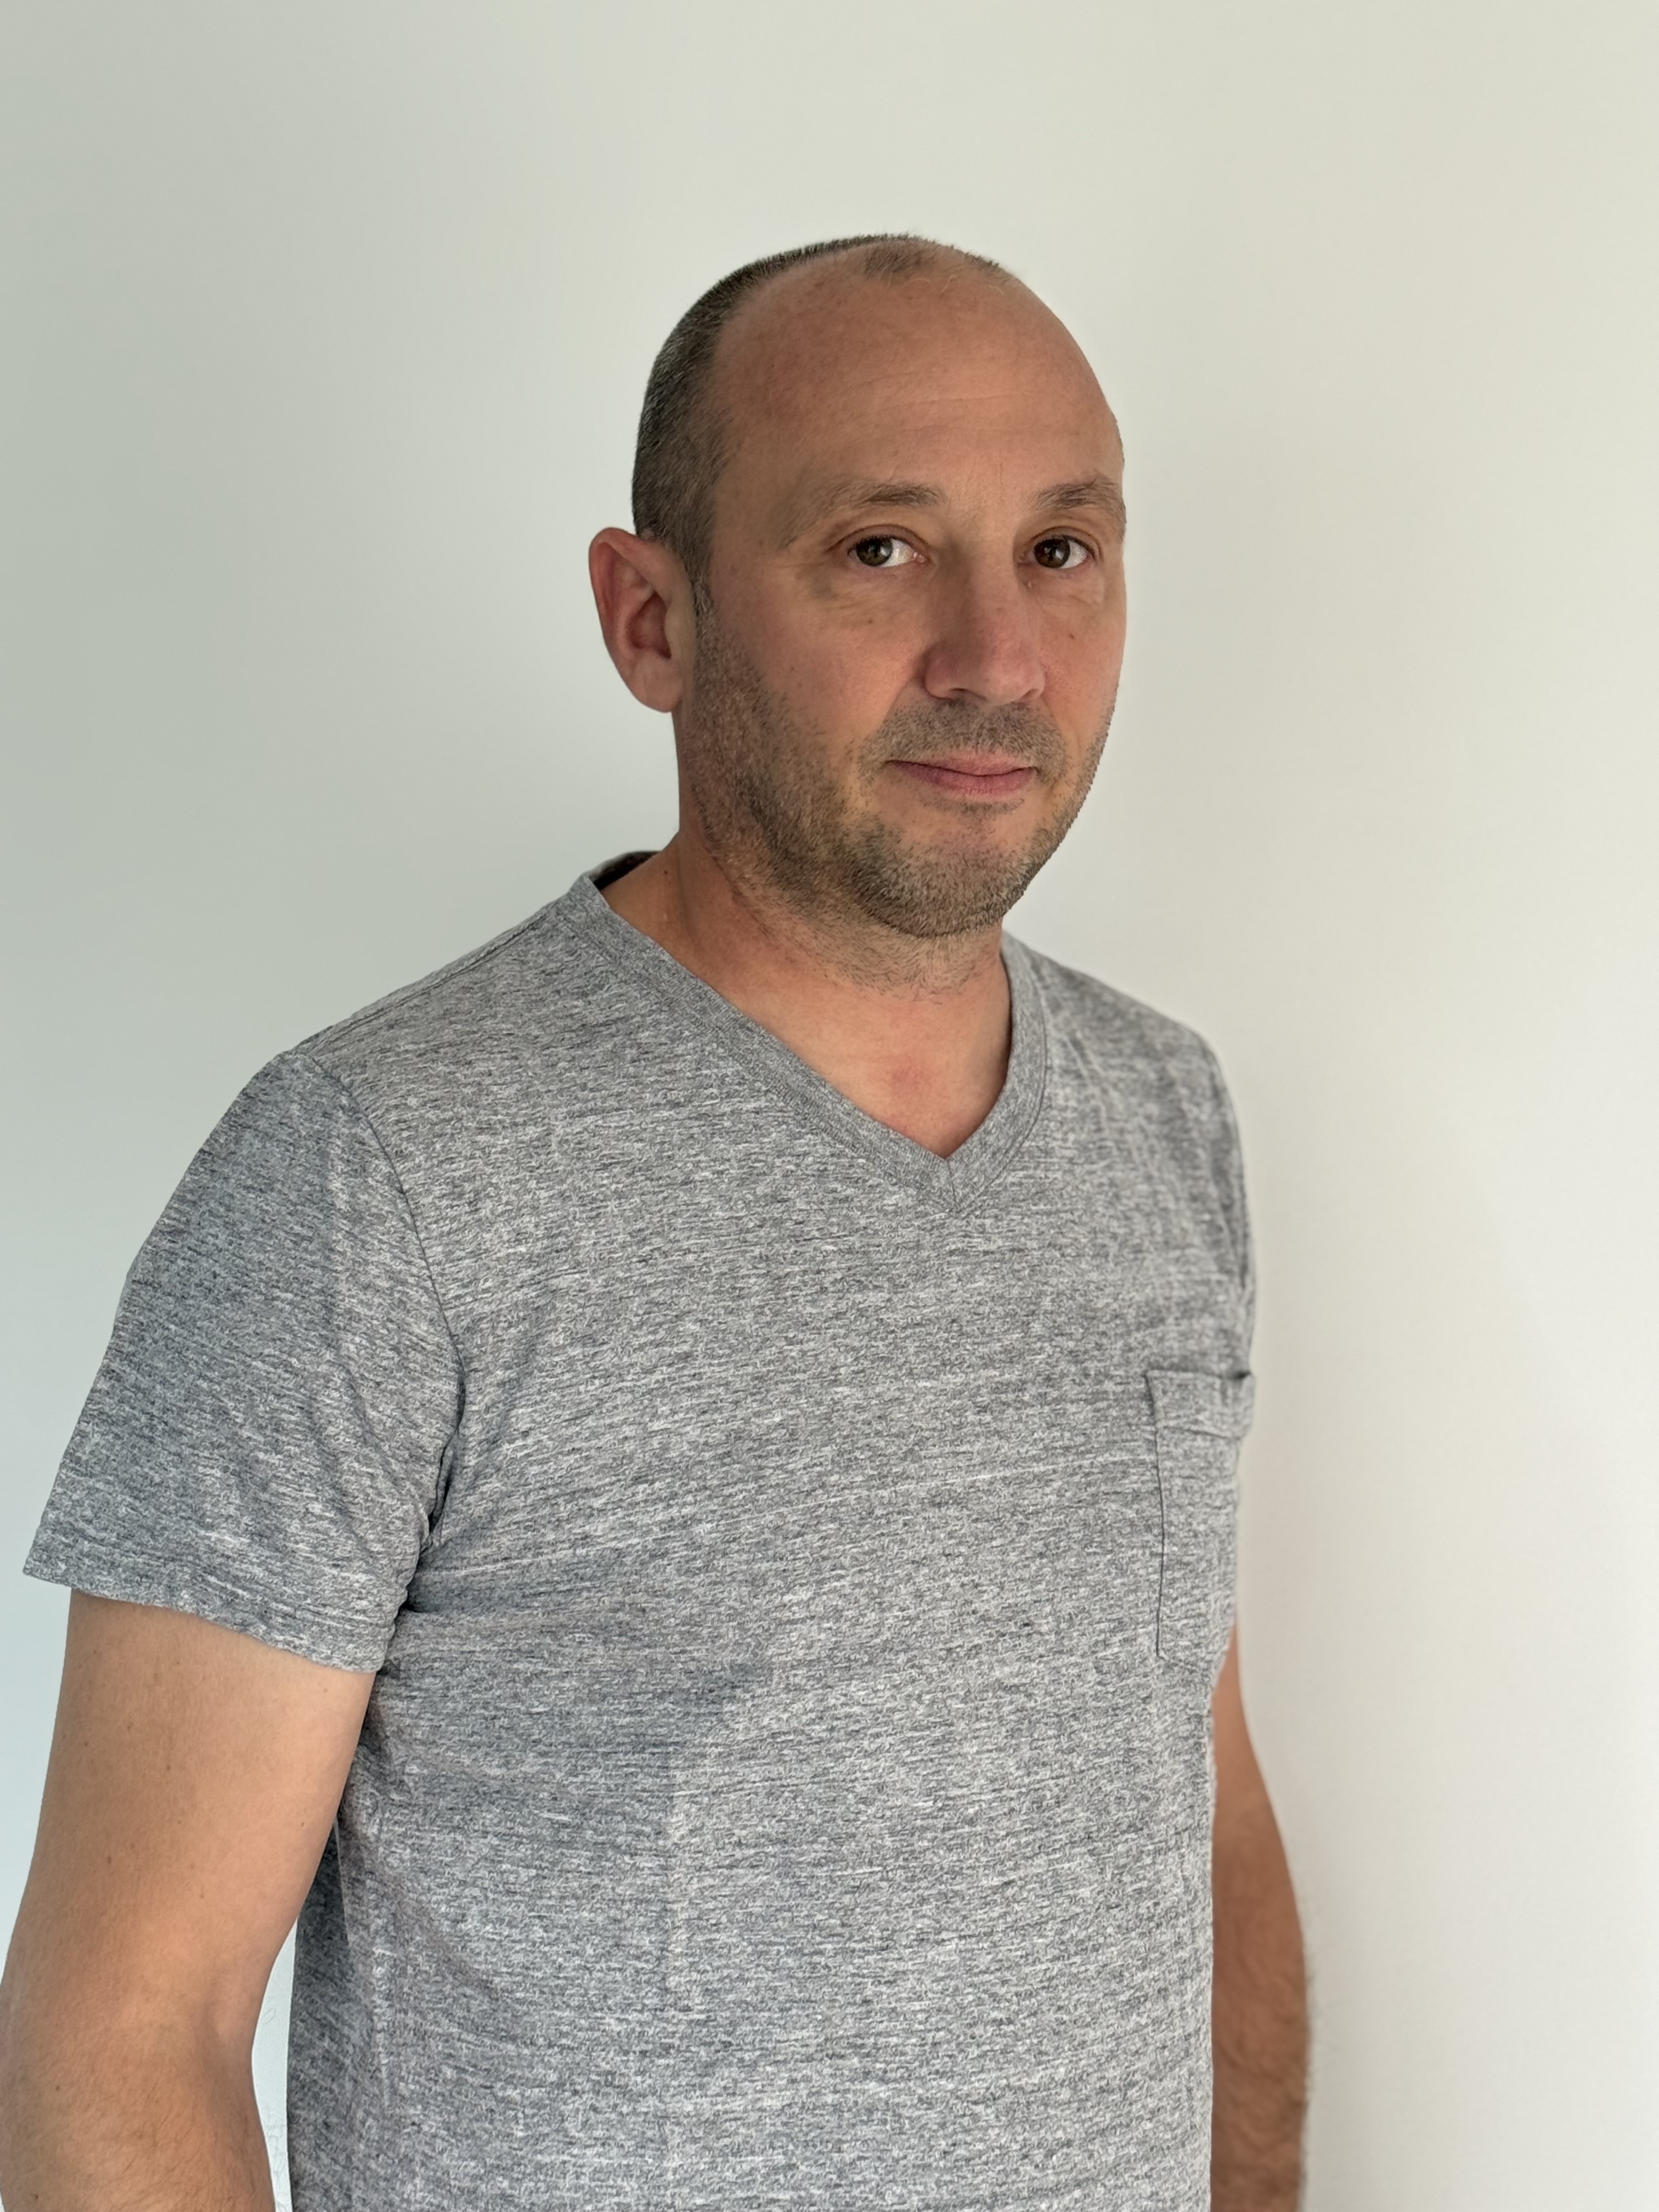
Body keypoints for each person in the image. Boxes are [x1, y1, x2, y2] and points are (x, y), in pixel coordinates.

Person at [0, 234, 1308, 2211]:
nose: (996, 655)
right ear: (652, 619)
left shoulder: (1165, 1116)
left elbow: (1195, 1810)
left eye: (1061, 549)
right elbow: (127, 2032)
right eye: (879, 548)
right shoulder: (374, 1176)